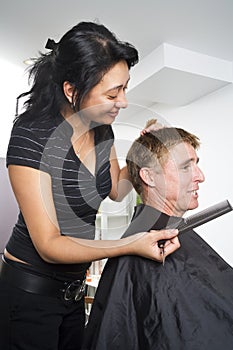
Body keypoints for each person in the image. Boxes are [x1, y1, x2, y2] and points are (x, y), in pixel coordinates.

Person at [0, 22, 180, 350]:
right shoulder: (31, 136)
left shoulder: (102, 130)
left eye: (125, 88)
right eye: (112, 93)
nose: (123, 102)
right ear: (71, 90)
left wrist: (142, 152)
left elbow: (115, 188)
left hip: (74, 294)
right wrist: (131, 244)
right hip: (27, 296)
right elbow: (50, 245)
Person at [83, 124, 233, 350]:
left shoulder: (171, 230)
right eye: (185, 167)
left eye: (196, 165)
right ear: (149, 177)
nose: (200, 177)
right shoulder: (146, 246)